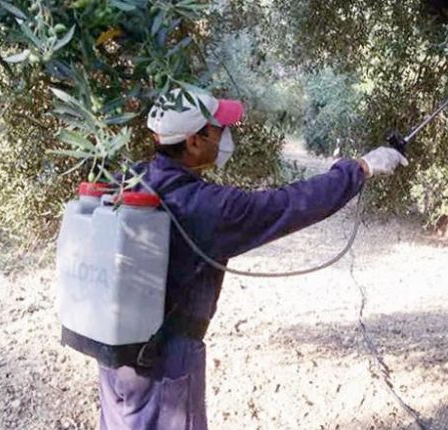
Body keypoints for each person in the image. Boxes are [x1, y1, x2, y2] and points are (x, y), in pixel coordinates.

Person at [96, 88, 408, 429]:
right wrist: (361, 168)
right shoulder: (204, 207)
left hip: (115, 352)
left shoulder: (132, 179)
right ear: (193, 141)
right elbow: (289, 205)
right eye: (219, 130)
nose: (226, 137)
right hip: (165, 361)